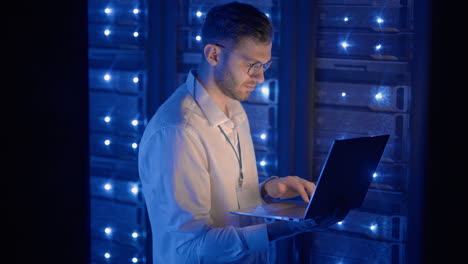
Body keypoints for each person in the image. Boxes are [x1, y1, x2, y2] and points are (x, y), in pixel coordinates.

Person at [138, 2, 345, 263]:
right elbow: (190, 247)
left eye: (264, 66)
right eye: (252, 65)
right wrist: (290, 226)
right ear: (213, 55)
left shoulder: (234, 108)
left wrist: (268, 191)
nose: (260, 78)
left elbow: (226, 207)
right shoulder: (178, 132)